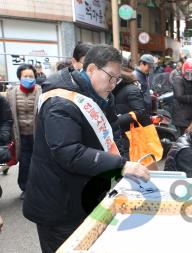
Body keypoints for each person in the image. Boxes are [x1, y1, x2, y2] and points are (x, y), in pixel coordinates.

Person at [22, 44, 149, 253]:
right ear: (91, 69)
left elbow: (113, 134)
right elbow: (68, 152)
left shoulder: (101, 95)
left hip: (84, 195)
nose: (113, 84)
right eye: (110, 77)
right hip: (58, 204)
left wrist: (123, 166)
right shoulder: (60, 101)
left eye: (117, 79)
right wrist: (121, 165)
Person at [6, 64, 42, 199]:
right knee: (24, 162)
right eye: (25, 76)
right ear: (19, 77)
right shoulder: (11, 93)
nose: (28, 78)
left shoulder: (41, 91)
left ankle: (39, 188)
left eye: (31, 76)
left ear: (35, 77)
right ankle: (25, 188)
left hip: (37, 134)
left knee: (39, 162)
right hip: (20, 135)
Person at [113, 62, 150, 156]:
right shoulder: (117, 90)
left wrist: (116, 120)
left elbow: (140, 111)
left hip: (131, 133)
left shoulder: (131, 89)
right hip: (122, 132)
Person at [172, 59, 192, 135]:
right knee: (184, 138)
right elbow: (179, 96)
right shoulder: (178, 80)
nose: (191, 76)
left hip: (191, 115)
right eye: (189, 73)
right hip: (182, 117)